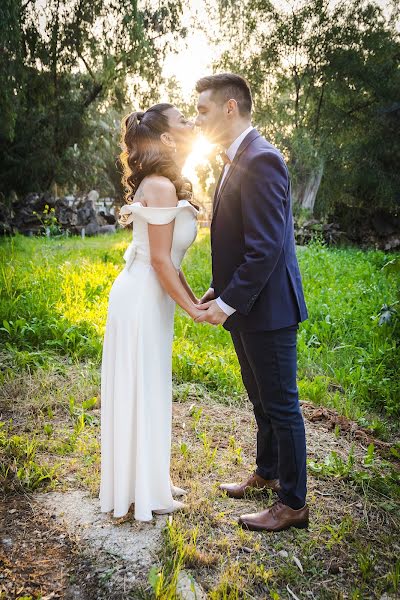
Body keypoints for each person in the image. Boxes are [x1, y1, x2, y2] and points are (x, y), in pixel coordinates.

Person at [195, 74, 309, 532]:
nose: (196, 117)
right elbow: (241, 241)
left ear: (229, 108)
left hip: (270, 309)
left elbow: (265, 249)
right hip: (247, 306)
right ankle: (267, 473)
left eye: (202, 109)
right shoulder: (235, 158)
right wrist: (219, 291)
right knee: (260, 399)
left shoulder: (261, 159)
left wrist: (227, 304)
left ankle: (293, 503)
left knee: (282, 405)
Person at [99, 103, 203, 521]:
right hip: (142, 296)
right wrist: (194, 311)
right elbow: (160, 262)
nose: (192, 125)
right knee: (143, 386)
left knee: (152, 385)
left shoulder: (161, 184)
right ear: (164, 139)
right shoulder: (159, 186)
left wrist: (195, 300)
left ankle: (151, 477)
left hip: (151, 296)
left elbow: (170, 264)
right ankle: (141, 487)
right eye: (183, 122)